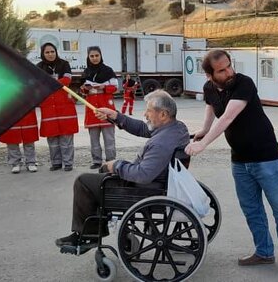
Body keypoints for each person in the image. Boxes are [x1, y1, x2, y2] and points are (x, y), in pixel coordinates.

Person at [185, 50, 278, 280]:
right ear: (210, 75)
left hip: (266, 157)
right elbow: (211, 108)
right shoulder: (209, 88)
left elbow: (227, 117)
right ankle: (264, 252)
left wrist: (204, 145)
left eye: (229, 66)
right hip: (240, 161)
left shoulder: (243, 83)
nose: (229, 72)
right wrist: (203, 131)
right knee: (252, 210)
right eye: (222, 70)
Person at [55, 90, 190, 249]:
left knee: (84, 182)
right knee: (103, 174)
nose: (145, 115)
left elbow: (143, 174)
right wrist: (115, 116)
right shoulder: (176, 127)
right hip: (160, 182)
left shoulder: (161, 142)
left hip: (146, 189)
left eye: (149, 111)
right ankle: (95, 230)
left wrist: (117, 165)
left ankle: (87, 235)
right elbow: (142, 128)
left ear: (163, 114)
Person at [36, 43, 79, 172]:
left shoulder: (64, 64)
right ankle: (56, 163)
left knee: (66, 138)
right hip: (49, 106)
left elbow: (67, 80)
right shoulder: (39, 67)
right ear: (43, 54)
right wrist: (54, 83)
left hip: (64, 106)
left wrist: (49, 82)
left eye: (52, 51)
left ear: (56, 52)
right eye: (47, 52)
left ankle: (68, 163)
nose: (50, 54)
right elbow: (38, 84)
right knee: (52, 138)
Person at [81, 46, 119, 169]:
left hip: (106, 107)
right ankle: (96, 161)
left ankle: (111, 161)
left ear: (101, 56)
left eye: (97, 55)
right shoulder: (86, 72)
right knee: (94, 139)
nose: (94, 58)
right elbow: (81, 90)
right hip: (92, 108)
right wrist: (85, 89)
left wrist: (103, 87)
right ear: (88, 57)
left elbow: (115, 88)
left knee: (109, 138)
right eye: (92, 56)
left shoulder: (108, 71)